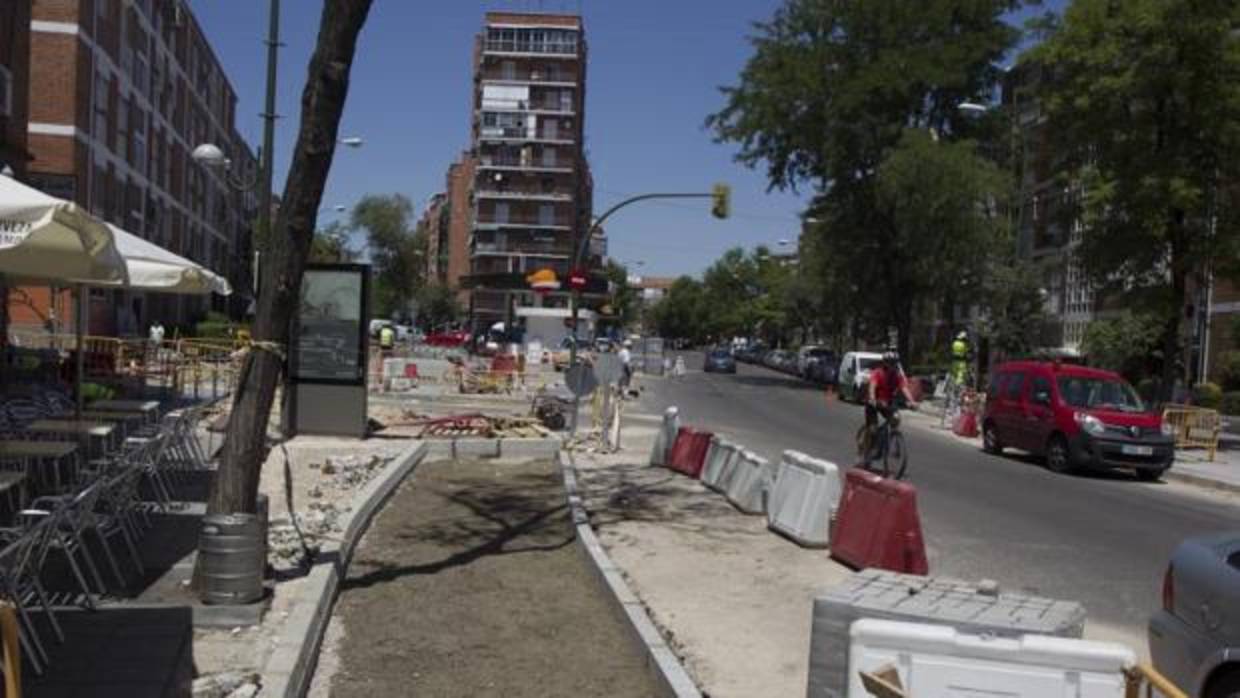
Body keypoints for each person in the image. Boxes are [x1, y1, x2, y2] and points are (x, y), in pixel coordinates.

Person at [864, 350, 918, 449]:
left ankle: (889, 437)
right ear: (885, 363)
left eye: (895, 362)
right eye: (891, 362)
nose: (893, 365)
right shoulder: (878, 373)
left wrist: (912, 401)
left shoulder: (897, 376)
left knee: (896, 418)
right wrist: (872, 398)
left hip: (887, 402)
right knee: (873, 429)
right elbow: (872, 386)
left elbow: (904, 388)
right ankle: (865, 452)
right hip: (873, 403)